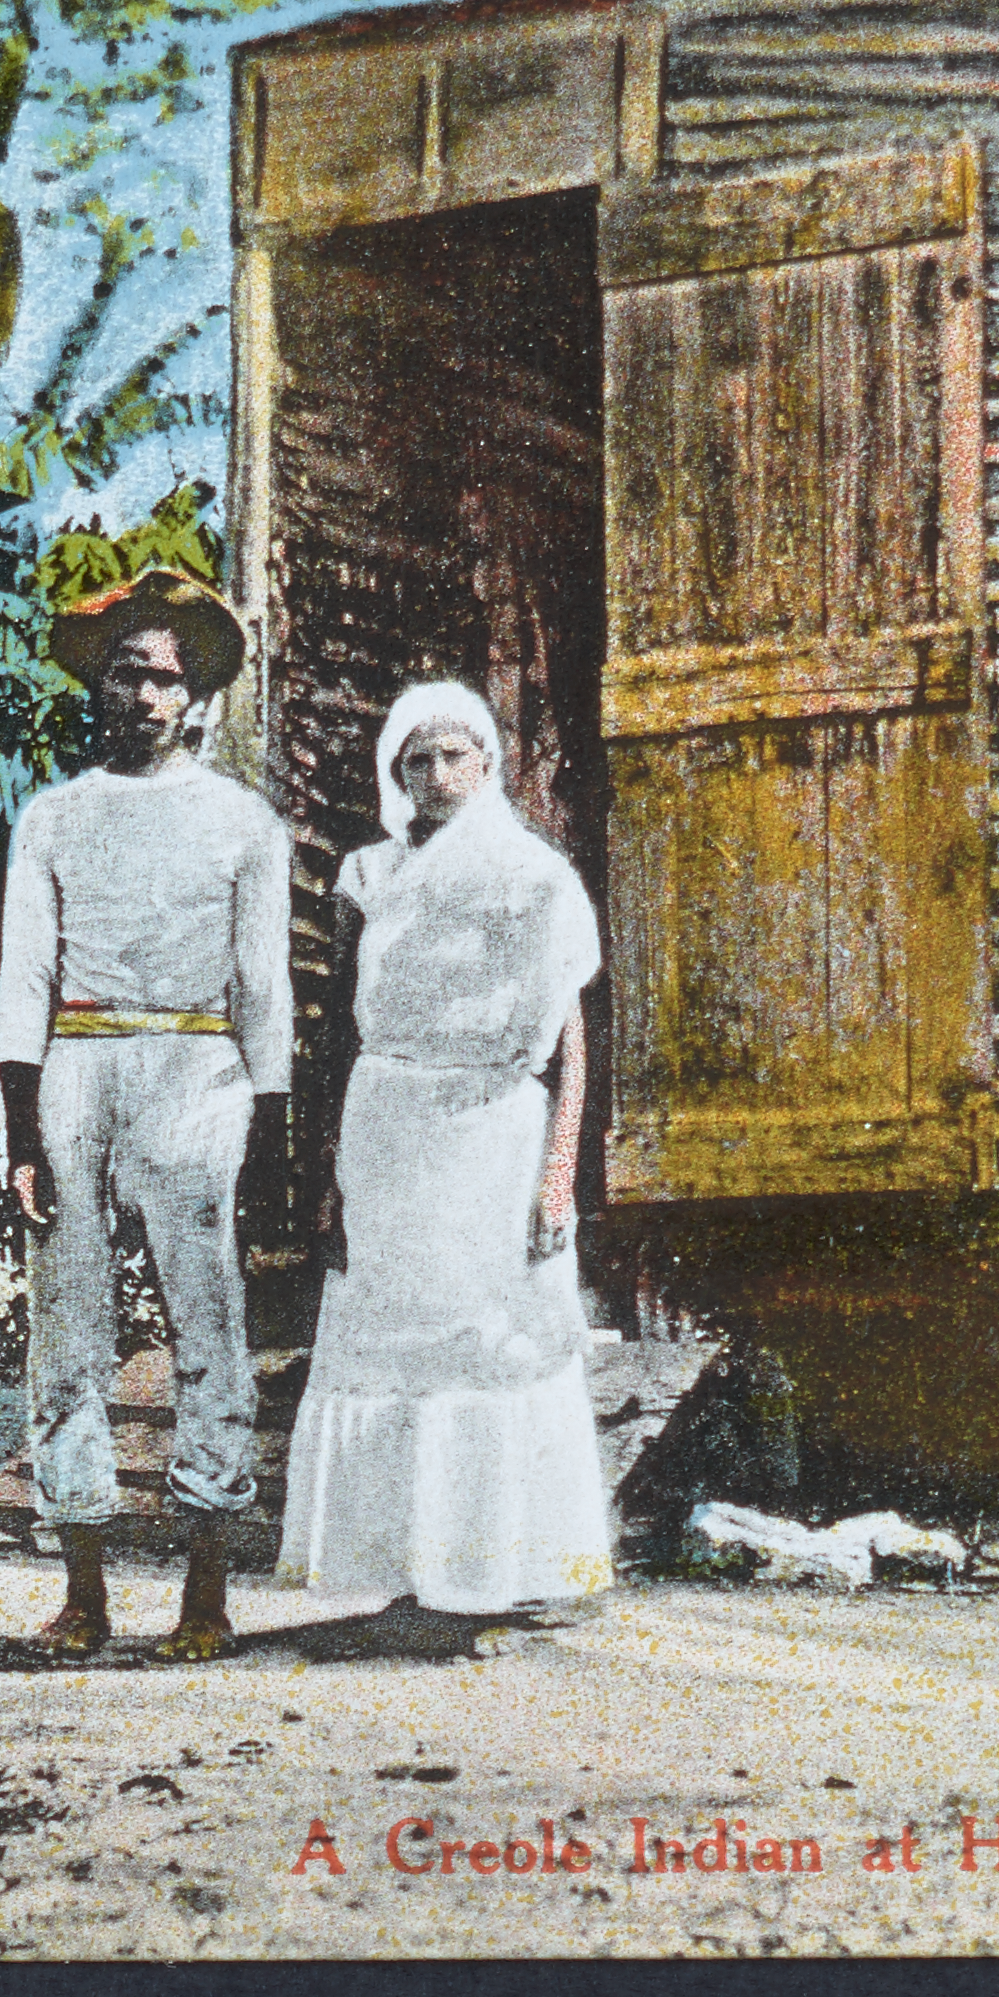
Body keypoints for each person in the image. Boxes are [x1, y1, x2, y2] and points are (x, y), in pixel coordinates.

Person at [0, 567, 290, 1662]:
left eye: (164, 678)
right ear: (98, 686)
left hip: (196, 1068)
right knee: (68, 1325)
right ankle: (83, 1587)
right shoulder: (54, 818)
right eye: (125, 674)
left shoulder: (242, 823)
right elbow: (23, 977)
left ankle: (205, 1592)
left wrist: (270, 1126)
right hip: (77, 1063)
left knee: (205, 1321)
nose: (144, 697)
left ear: (195, 694)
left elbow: (263, 984)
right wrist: (23, 1128)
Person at [277, 681, 614, 1612]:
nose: (436, 774)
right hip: (388, 1130)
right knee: (390, 1345)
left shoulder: (534, 877)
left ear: (488, 762)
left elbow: (572, 1047)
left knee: (493, 1344)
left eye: (454, 754)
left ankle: (505, 1570)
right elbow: (335, 1034)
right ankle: (403, 1569)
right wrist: (327, 1173)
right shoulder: (365, 877)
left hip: (494, 1131)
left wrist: (557, 1174)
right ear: (396, 774)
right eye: (415, 759)